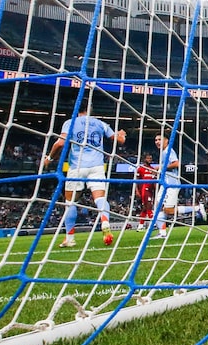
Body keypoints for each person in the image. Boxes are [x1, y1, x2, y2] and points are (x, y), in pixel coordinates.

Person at [43, 105, 126, 247]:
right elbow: (119, 140)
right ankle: (105, 221)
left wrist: (49, 158)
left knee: (70, 203)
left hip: (77, 167)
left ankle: (70, 239)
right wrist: (122, 135)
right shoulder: (100, 123)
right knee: (100, 198)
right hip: (97, 167)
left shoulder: (70, 122)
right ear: (90, 110)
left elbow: (60, 143)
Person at [151, 132, 181, 239]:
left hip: (172, 184)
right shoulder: (163, 152)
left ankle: (197, 209)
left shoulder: (168, 150)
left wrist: (161, 168)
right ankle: (162, 233)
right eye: (156, 140)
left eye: (159, 139)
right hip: (165, 184)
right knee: (157, 207)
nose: (157, 142)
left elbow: (176, 163)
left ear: (166, 140)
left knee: (168, 211)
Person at [135, 152, 157, 226]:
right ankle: (153, 224)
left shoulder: (153, 169)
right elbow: (136, 181)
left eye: (151, 158)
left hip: (151, 191)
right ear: (144, 159)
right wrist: (137, 191)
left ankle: (140, 226)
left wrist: (156, 190)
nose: (150, 160)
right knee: (148, 206)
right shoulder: (141, 169)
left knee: (145, 208)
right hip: (145, 190)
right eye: (148, 158)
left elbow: (154, 181)